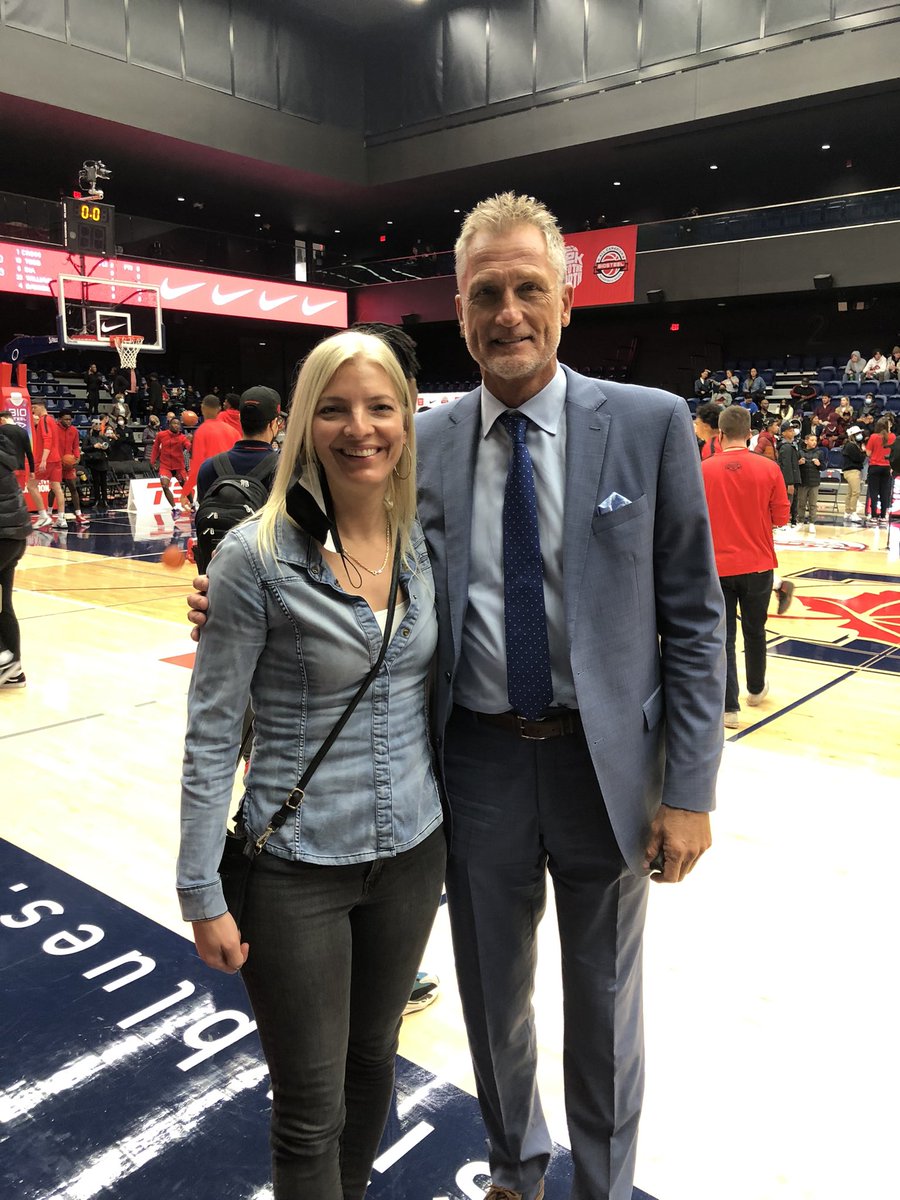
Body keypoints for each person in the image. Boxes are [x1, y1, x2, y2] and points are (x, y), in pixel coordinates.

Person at [189, 193, 725, 1200]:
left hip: (603, 766)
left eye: (529, 289)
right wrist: (226, 590)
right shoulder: (417, 441)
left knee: (604, 1000)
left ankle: (601, 1185)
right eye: (487, 294)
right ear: (460, 310)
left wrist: (690, 788)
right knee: (492, 995)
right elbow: (323, 548)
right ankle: (516, 1170)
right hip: (471, 761)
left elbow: (694, 620)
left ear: (567, 299)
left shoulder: (649, 426)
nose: (509, 312)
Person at [177, 330, 445, 1200]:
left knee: (374, 1063)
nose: (358, 428)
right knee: (308, 1105)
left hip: (413, 853)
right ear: (301, 425)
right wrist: (199, 889)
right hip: (294, 869)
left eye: (379, 407)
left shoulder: (423, 542)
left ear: (406, 418)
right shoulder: (252, 559)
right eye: (334, 408)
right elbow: (213, 731)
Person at [701, 404, 790, 731]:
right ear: (750, 434)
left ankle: (729, 708)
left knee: (722, 637)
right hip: (758, 565)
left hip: (717, 567)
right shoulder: (769, 469)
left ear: (719, 434)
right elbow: (781, 518)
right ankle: (755, 689)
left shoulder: (703, 469)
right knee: (756, 629)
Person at [0, 424, 32, 687]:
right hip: (14, 537)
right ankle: (14, 671)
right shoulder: (3, 453)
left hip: (2, 536)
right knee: (3, 605)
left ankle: (2, 658)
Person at [180, 393, 241, 506]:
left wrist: (185, 492)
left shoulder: (201, 432)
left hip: (211, 487)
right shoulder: (233, 431)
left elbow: (197, 466)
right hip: (233, 486)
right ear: (218, 409)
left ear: (203, 408)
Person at [29, 400, 67, 530]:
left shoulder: (44, 420)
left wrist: (44, 459)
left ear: (40, 407)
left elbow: (47, 440)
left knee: (31, 486)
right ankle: (61, 519)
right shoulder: (51, 420)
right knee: (57, 488)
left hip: (47, 459)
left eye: (34, 408)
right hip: (56, 459)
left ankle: (43, 515)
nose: (33, 411)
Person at [150, 416, 191, 517]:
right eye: (174, 423)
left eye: (178, 424)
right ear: (169, 425)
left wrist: (191, 444)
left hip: (179, 466)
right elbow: (155, 448)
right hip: (165, 465)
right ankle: (175, 508)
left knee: (185, 485)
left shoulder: (182, 438)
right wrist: (153, 461)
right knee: (164, 485)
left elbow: (188, 446)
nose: (176, 425)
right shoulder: (161, 435)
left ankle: (193, 504)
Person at [57, 410, 89, 525]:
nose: (68, 421)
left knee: (73, 488)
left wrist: (76, 458)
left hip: (69, 463)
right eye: (66, 419)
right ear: (60, 419)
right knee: (54, 489)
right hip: (57, 463)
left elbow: (76, 446)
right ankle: (50, 513)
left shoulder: (74, 430)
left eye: (70, 419)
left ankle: (78, 514)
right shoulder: (55, 429)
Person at [865, 416, 895, 526]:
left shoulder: (873, 437)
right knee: (885, 492)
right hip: (887, 467)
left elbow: (868, 453)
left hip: (874, 467)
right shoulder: (892, 436)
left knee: (873, 492)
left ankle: (873, 516)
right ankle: (883, 516)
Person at [83, 417, 112, 514]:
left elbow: (109, 450)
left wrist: (105, 447)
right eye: (96, 424)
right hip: (93, 462)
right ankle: (96, 499)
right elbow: (84, 448)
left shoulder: (103, 437)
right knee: (96, 482)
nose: (98, 426)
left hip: (103, 461)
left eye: (100, 424)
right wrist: (93, 446)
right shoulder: (88, 437)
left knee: (104, 482)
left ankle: (105, 499)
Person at [796, 433, 823, 533]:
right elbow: (795, 466)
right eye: (812, 440)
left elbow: (824, 466)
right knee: (801, 503)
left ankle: (812, 523)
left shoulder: (819, 453)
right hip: (803, 481)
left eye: (815, 440)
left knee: (813, 504)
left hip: (814, 482)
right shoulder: (800, 452)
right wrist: (799, 463)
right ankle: (800, 522)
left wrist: (819, 464)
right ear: (806, 441)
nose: (814, 442)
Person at [840, 424, 866, 524]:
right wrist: (863, 452)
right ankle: (853, 512)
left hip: (852, 471)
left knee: (850, 493)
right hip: (852, 471)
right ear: (852, 435)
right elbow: (859, 458)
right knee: (856, 492)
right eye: (857, 434)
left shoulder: (852, 445)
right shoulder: (851, 446)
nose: (860, 435)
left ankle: (847, 512)